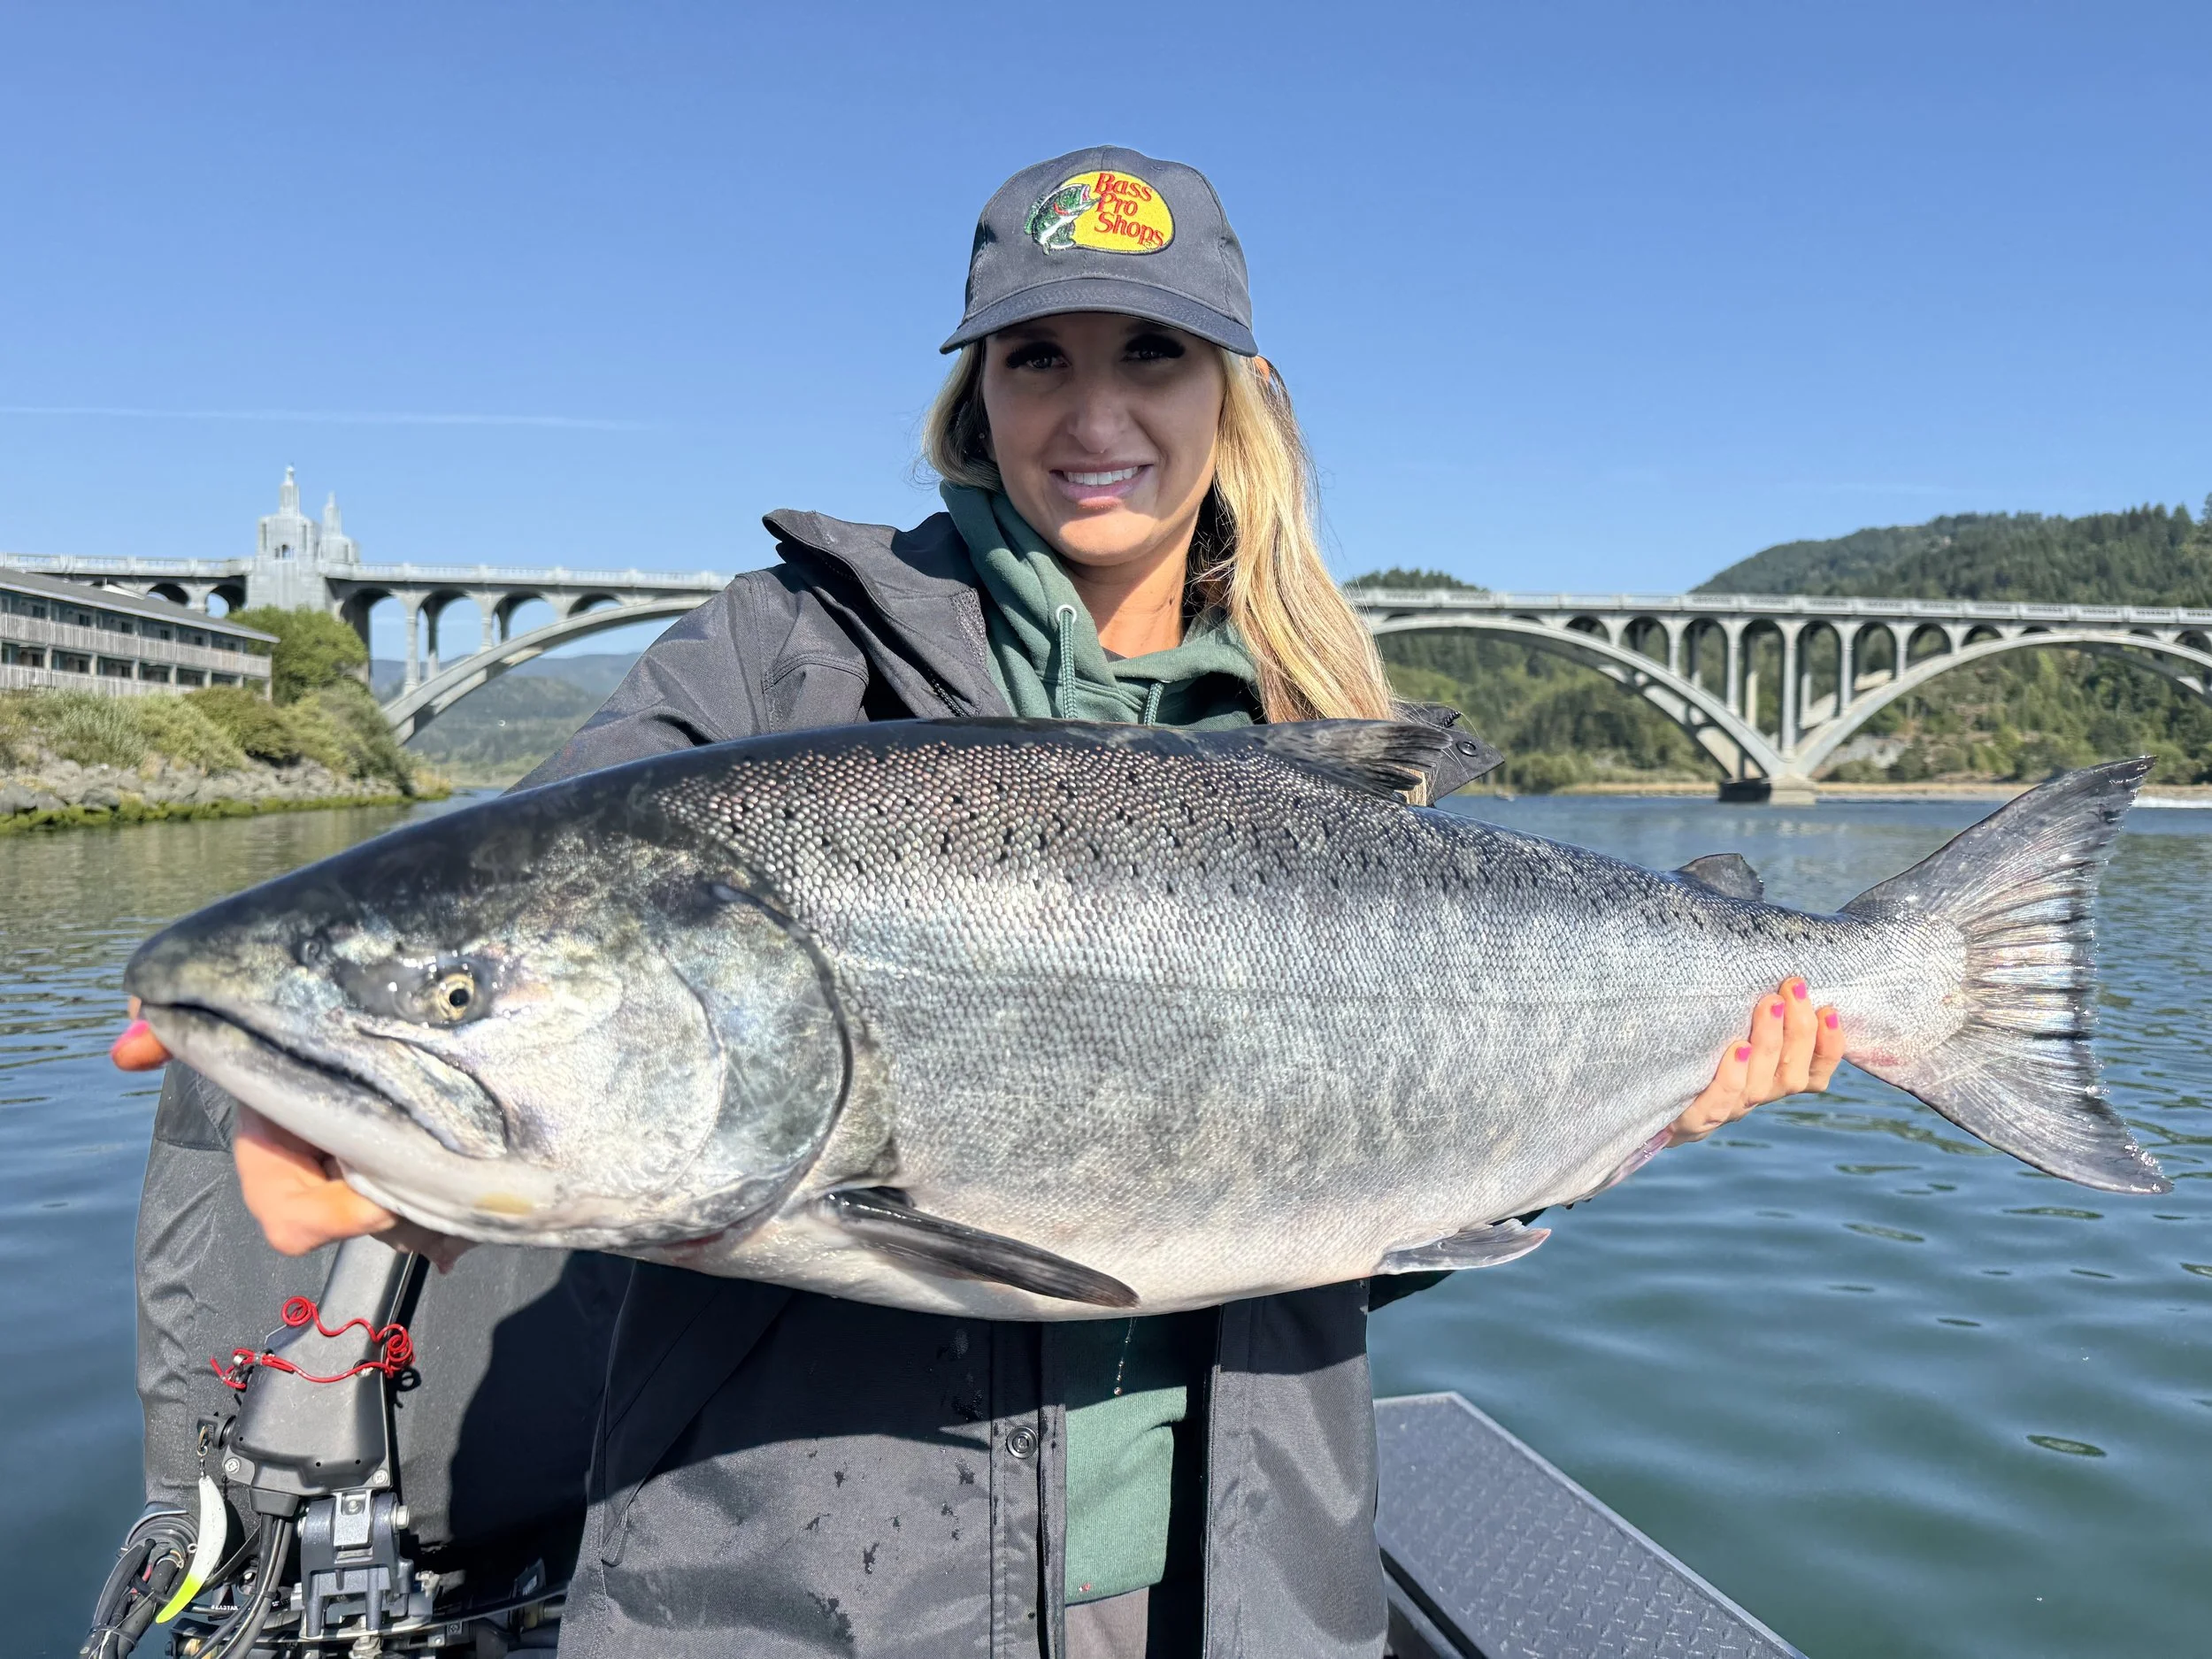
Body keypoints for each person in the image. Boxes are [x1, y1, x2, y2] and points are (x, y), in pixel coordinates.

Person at [189, 147, 1844, 1657]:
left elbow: (1330, 1244)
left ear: (1238, 396)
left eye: (1154, 354)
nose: (1094, 410)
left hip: (1240, 1600)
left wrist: (1635, 1107)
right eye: (1038, 354)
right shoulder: (772, 658)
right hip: (799, 1608)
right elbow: (526, 907)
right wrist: (377, 1150)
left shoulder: (1315, 723)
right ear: (975, 394)